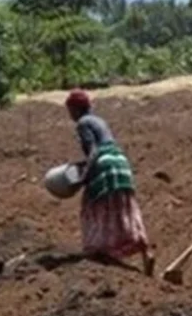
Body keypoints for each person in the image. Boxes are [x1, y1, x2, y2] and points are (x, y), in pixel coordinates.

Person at [65, 89, 156, 277]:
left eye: (70, 110)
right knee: (125, 208)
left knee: (93, 206)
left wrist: (82, 179)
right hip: (120, 162)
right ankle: (145, 251)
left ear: (74, 109)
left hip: (105, 165)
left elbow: (94, 152)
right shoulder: (99, 120)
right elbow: (104, 146)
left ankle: (98, 250)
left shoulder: (82, 123)